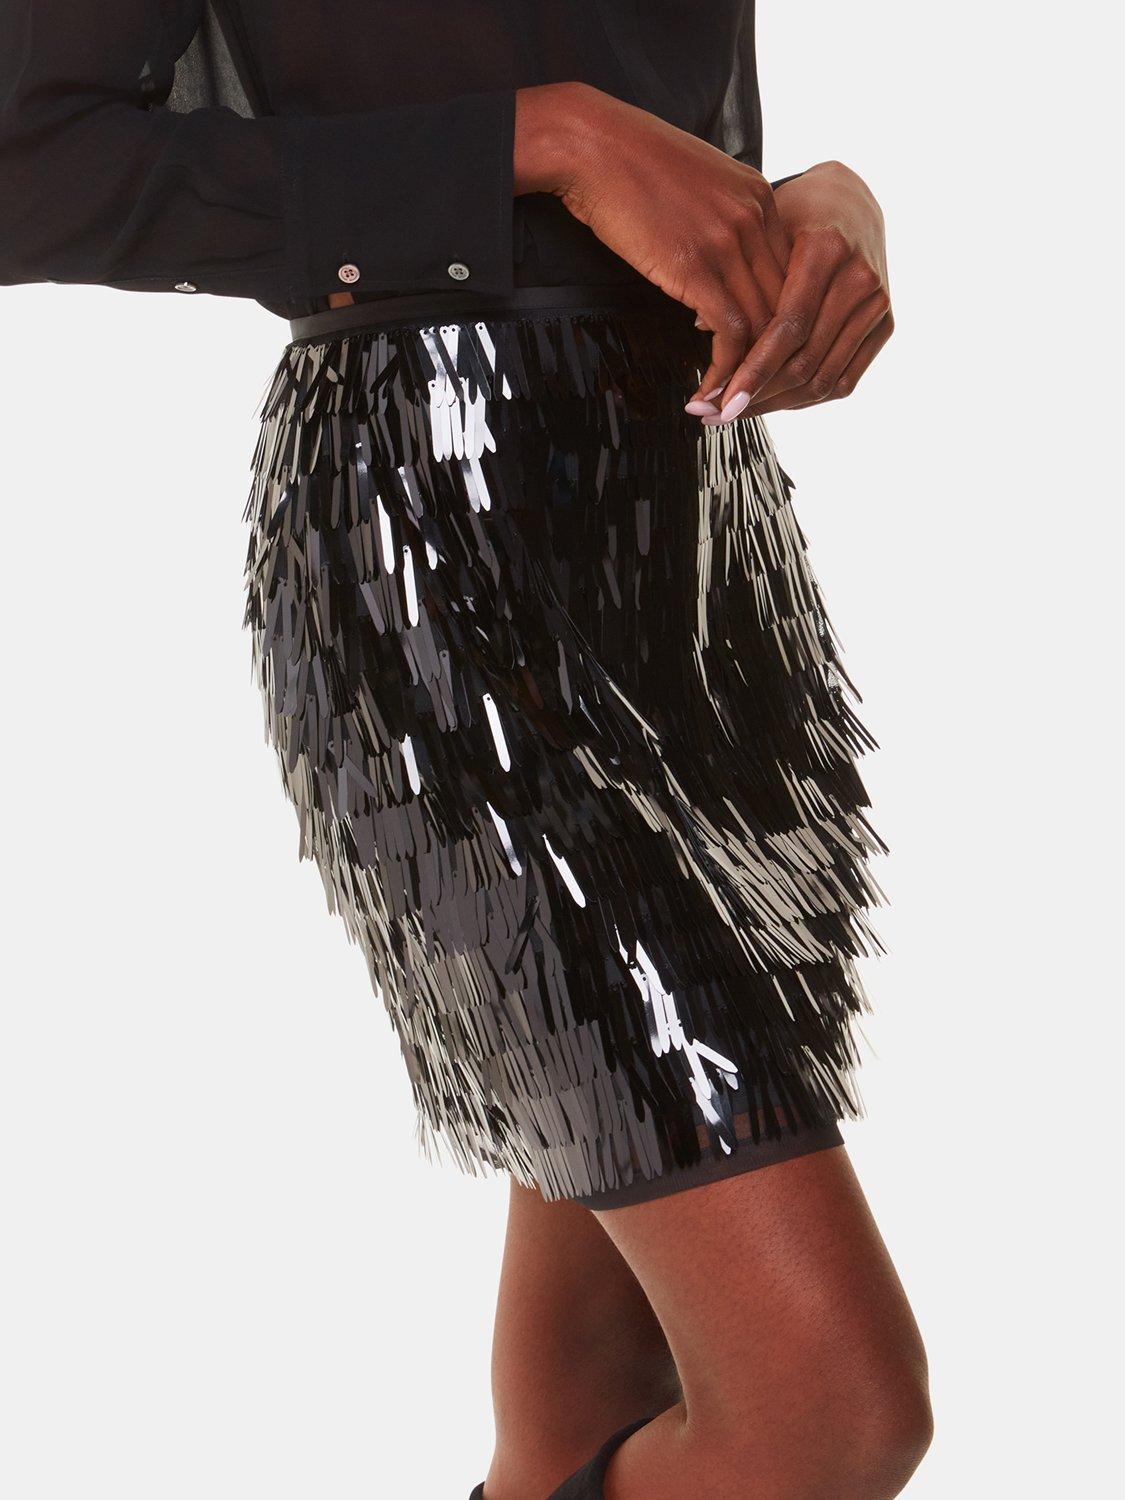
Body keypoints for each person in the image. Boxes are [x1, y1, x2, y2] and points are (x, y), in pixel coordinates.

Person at [0, 3, 931, 1495]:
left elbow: (639, 108)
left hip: (700, 549)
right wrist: (548, 137)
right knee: (825, 1408)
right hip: (445, 542)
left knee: (590, 1398)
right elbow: (29, 169)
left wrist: (814, 208)